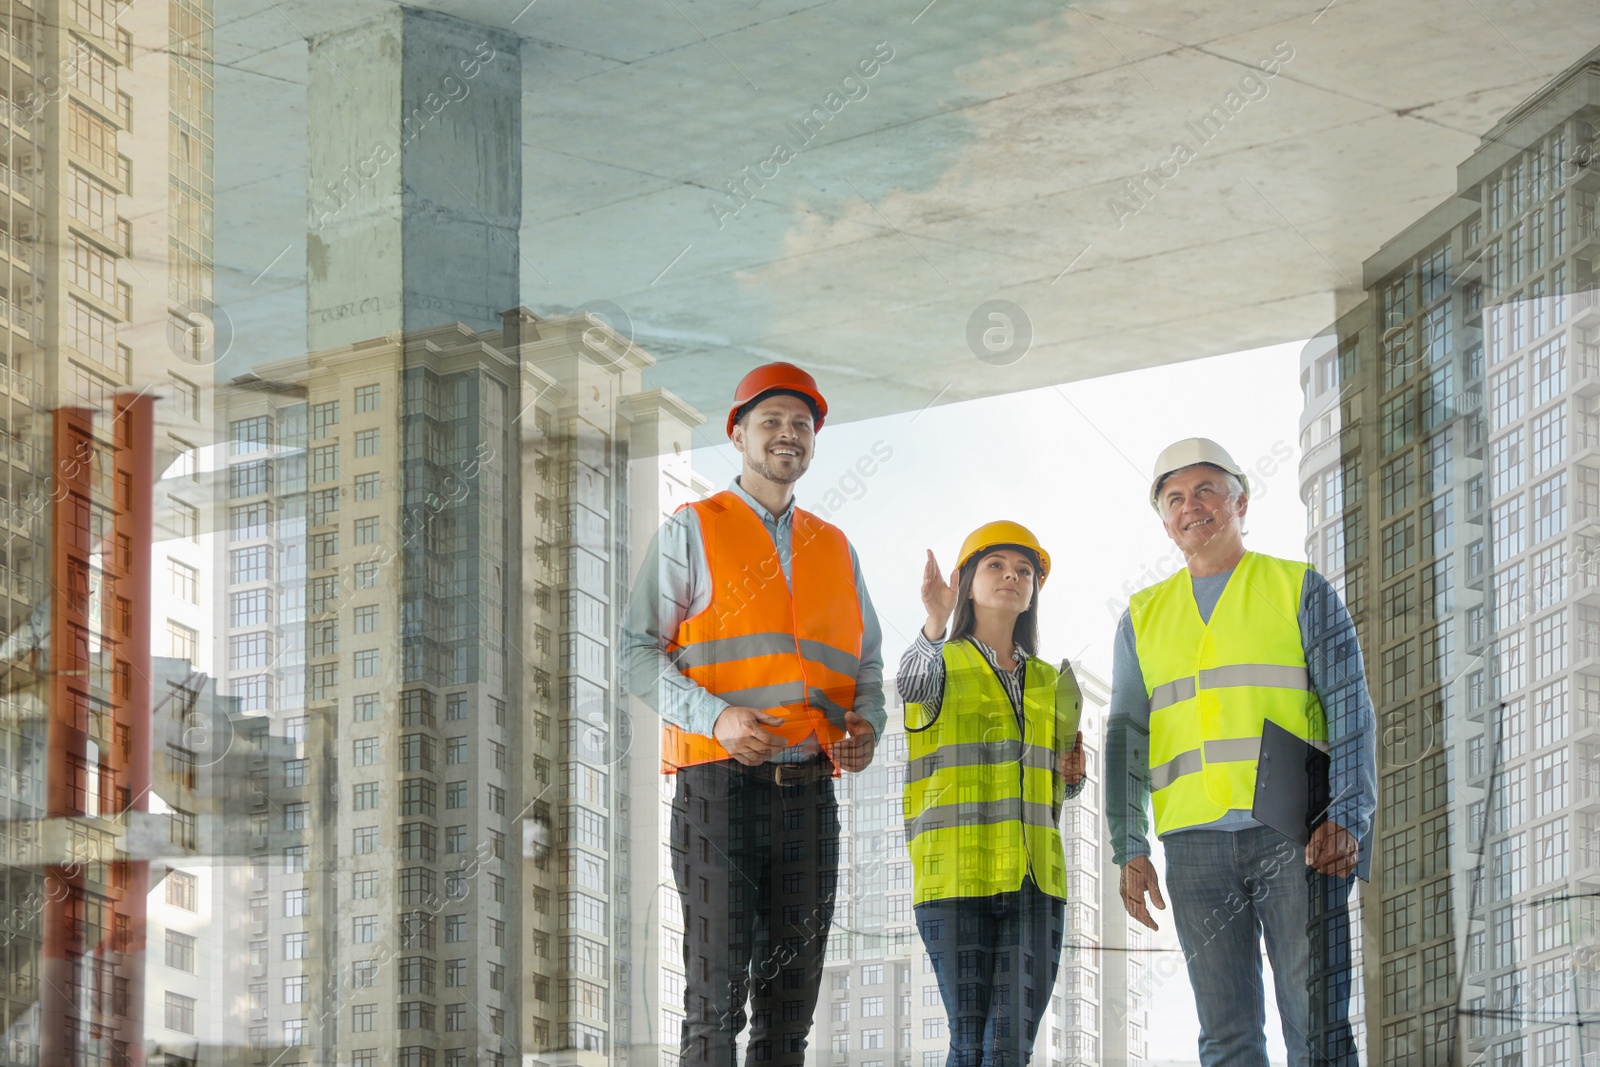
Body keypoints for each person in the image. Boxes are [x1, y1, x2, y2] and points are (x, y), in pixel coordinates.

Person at [623, 361, 885, 1067]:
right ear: (737, 432)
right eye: (771, 420)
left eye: (801, 424)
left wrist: (867, 729)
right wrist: (715, 718)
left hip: (809, 801)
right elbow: (634, 650)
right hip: (719, 794)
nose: (787, 434)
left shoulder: (835, 547)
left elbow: (866, 668)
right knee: (714, 1008)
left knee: (788, 1017)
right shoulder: (693, 530)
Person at [1106, 438, 1376, 1067]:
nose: (1189, 506)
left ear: (1240, 501)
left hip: (1295, 832)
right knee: (1225, 1037)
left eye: (1204, 490)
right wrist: (1129, 845)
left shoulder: (1297, 587)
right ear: (1165, 519)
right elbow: (1127, 735)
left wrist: (1349, 816)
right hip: (1194, 843)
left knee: (1317, 1029)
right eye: (1174, 498)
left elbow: (1350, 709)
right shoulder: (1143, 616)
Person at [899, 521, 1086, 1067]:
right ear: (966, 582)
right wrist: (934, 620)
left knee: (1008, 1046)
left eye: (1024, 571)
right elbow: (910, 686)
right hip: (955, 876)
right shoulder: (941, 659)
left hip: (1034, 881)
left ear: (1034, 591)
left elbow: (1059, 785)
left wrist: (1072, 776)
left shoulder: (1052, 681)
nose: (1012, 577)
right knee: (968, 1038)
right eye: (996, 566)